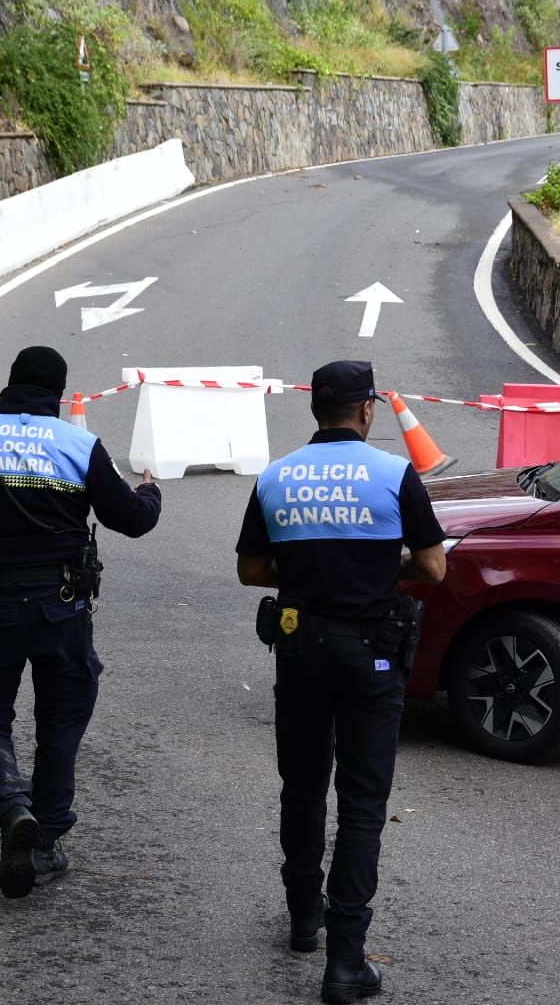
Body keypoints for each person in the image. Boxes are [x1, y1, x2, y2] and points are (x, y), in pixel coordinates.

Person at [0, 346, 162, 899]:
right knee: (62, 719)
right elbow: (133, 520)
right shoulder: (77, 444)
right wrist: (149, 490)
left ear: (10, 386)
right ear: (59, 393)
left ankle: (9, 804)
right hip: (63, 607)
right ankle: (44, 840)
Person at [235, 360, 446, 1004]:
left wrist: (309, 572)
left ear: (315, 410)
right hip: (371, 655)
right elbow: (433, 568)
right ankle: (346, 960)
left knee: (302, 786)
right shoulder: (393, 474)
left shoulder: (276, 476)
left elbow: (251, 570)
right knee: (361, 803)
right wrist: (378, 568)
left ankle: (304, 916)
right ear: (367, 410)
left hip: (300, 648)